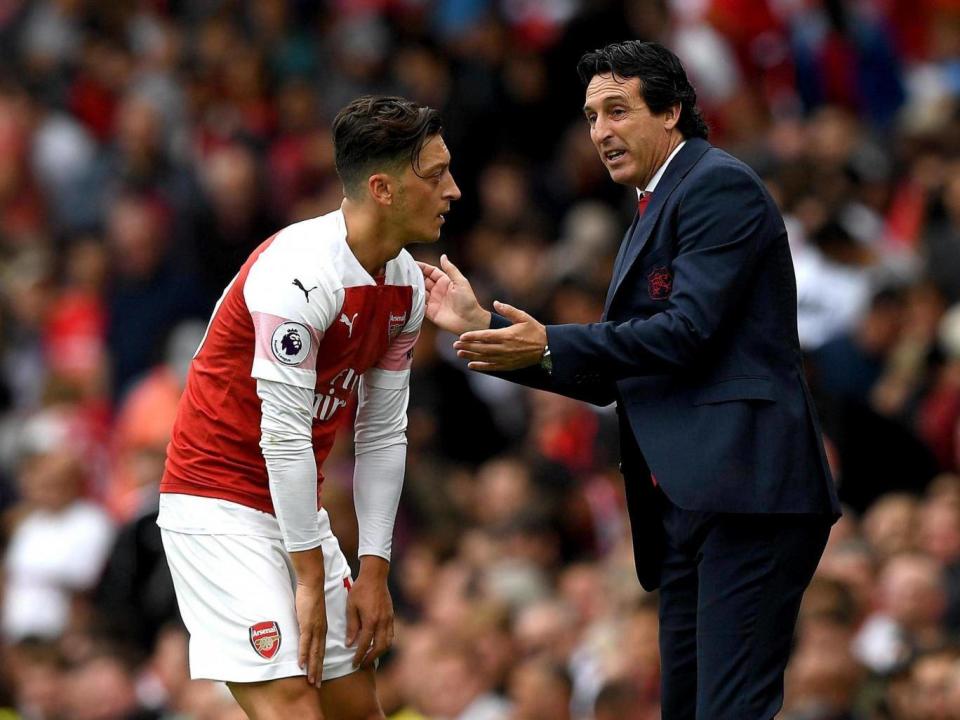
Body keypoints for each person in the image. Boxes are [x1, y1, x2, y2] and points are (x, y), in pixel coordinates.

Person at [419, 41, 840, 719]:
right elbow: (625, 369)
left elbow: (686, 332)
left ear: (671, 110)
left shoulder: (715, 185)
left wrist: (549, 341)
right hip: (685, 504)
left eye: (617, 110)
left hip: (745, 492)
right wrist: (490, 330)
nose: (600, 132)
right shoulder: (653, 205)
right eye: (590, 117)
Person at [158, 95, 461, 720]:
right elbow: (285, 438)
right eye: (434, 175)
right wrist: (306, 577)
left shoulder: (404, 286)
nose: (452, 190)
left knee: (356, 707)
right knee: (295, 706)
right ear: (381, 187)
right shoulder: (298, 276)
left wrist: (373, 569)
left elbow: (381, 433)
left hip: (295, 510)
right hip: (216, 507)